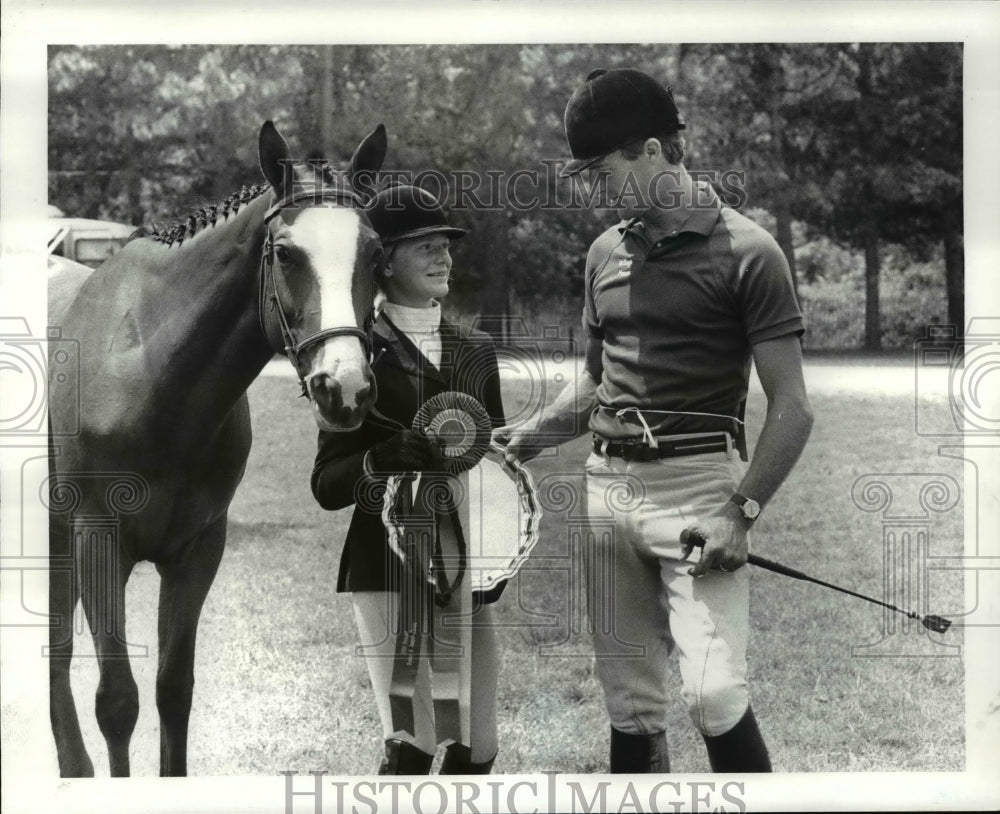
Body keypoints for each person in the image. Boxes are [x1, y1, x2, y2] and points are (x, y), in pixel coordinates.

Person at [495, 68, 814, 773]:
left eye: (599, 168)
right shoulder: (605, 252)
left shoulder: (750, 252)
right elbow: (595, 381)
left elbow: (792, 406)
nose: (591, 186)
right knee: (630, 704)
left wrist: (742, 511)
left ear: (649, 150)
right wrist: (528, 436)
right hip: (608, 490)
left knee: (714, 692)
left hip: (701, 489)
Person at [311, 184, 506, 775]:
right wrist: (382, 457)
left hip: (463, 564)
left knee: (478, 746)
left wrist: (496, 560)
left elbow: (491, 467)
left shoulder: (477, 348)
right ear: (384, 260)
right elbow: (326, 484)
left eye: (445, 243)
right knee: (413, 742)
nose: (443, 255)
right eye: (424, 245)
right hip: (385, 562)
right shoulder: (355, 355)